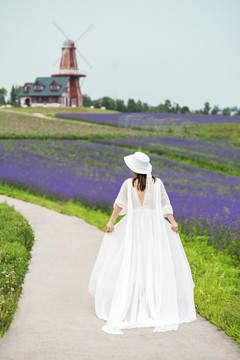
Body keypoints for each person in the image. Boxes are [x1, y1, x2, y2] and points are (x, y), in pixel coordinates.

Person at [88, 151, 197, 335]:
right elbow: (165, 204)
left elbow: (119, 205)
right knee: (153, 260)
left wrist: (111, 222)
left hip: (134, 226)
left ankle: (131, 301)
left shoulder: (128, 184)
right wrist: (172, 222)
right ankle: (151, 301)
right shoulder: (157, 183)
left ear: (134, 168)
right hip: (153, 226)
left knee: (132, 259)